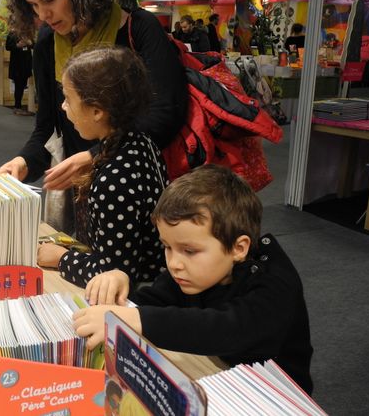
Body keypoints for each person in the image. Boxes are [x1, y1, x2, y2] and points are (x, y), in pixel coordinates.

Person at [0, 0, 187, 236]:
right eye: (33, 5)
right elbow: (48, 128)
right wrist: (23, 162)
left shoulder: (137, 30)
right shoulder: (47, 41)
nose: (43, 14)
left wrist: (95, 156)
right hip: (83, 196)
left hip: (135, 190)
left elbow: (165, 116)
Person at [73, 164, 314, 394]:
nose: (174, 263)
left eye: (189, 251)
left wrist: (136, 318)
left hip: (276, 395)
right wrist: (119, 282)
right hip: (221, 376)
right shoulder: (190, 273)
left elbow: (228, 329)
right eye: (167, 247)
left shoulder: (276, 283)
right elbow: (152, 301)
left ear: (238, 248)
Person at [37, 46, 167, 287]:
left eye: (68, 99)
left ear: (97, 111)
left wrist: (62, 258)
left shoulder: (114, 180)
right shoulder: (141, 143)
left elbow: (113, 274)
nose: (63, 107)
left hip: (137, 296)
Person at [5, 31, 33, 115]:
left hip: (26, 63)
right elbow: (8, 47)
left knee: (22, 85)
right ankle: (17, 106)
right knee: (18, 86)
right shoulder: (12, 34)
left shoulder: (28, 33)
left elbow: (34, 45)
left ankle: (18, 106)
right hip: (17, 64)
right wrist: (17, 45)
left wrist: (29, 43)